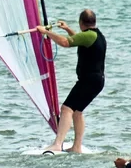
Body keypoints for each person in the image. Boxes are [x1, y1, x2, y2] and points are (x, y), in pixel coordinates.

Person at [36, 9, 106, 153]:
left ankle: (57, 143)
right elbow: (79, 39)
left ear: (81, 23)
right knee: (77, 111)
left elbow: (65, 42)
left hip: (89, 80)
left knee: (66, 109)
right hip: (97, 81)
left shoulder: (89, 36)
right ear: (94, 22)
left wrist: (46, 32)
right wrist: (67, 28)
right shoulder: (96, 35)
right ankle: (77, 147)